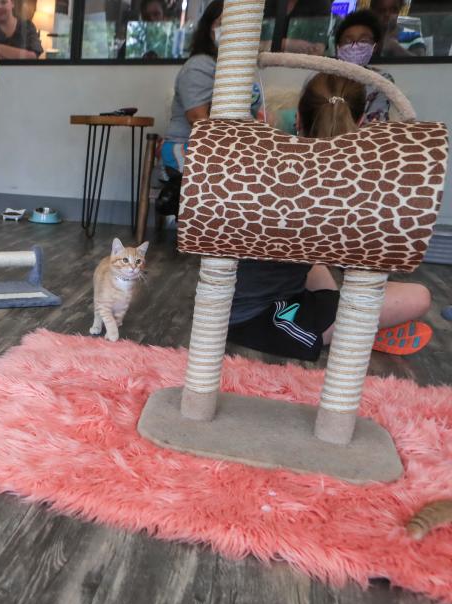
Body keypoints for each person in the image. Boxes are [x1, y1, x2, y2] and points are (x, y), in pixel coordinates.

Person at [227, 73, 433, 361]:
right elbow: (363, 272)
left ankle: (348, 323)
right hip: (261, 320)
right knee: (419, 296)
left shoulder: (275, 161)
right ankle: (356, 330)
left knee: (315, 265)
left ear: (298, 118)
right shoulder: (352, 182)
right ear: (361, 122)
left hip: (254, 301)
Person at [161, 0, 262, 174]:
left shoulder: (237, 69)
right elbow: (198, 119)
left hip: (224, 149)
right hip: (190, 147)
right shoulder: (199, 66)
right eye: (224, 24)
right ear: (209, 28)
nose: (231, 31)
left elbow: (257, 110)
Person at [334, 9, 394, 123]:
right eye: (348, 41)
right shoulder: (319, 77)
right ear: (338, 47)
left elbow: (376, 123)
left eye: (363, 40)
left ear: (374, 46)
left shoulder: (381, 80)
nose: (355, 45)